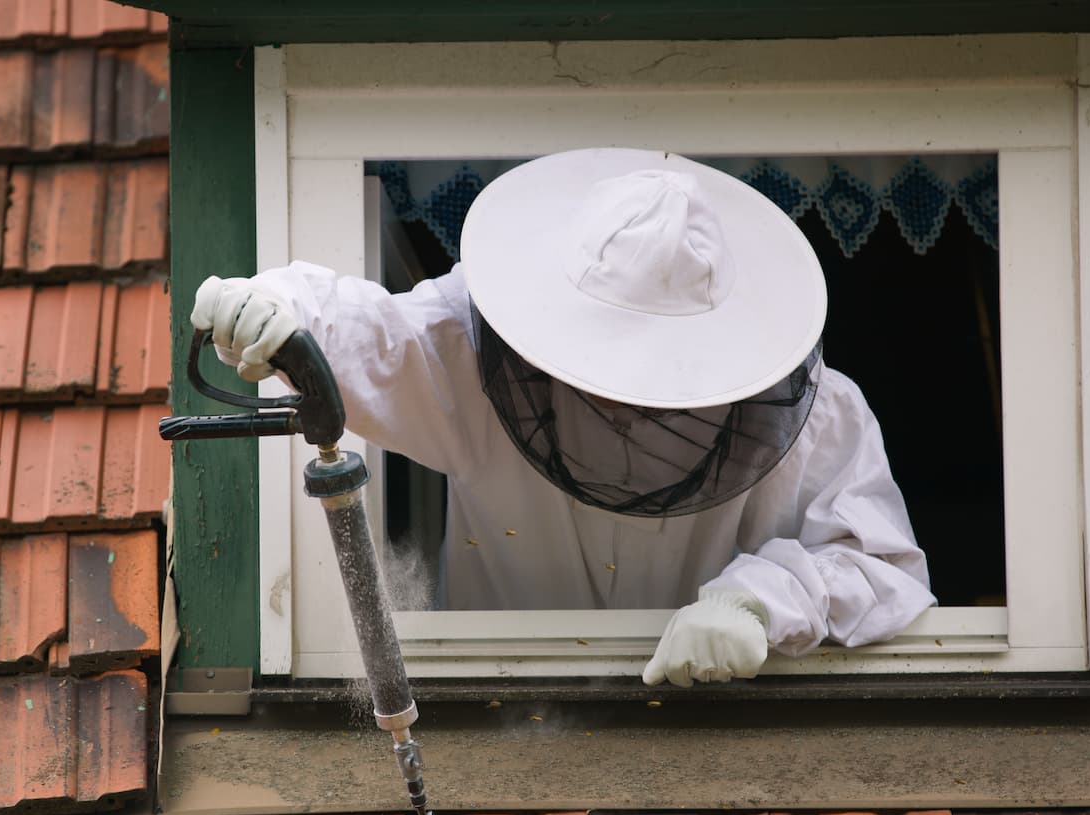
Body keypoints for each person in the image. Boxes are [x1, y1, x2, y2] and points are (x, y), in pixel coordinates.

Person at [189, 147, 936, 686]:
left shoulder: (819, 411)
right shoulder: (476, 346)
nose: (625, 398)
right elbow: (376, 333)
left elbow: (883, 567)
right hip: (498, 710)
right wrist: (280, 309)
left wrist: (762, 600)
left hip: (721, 746)